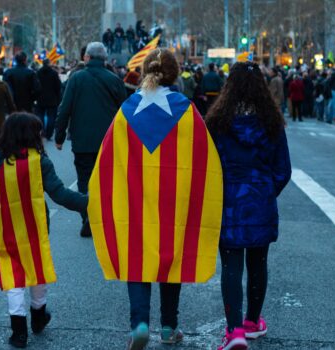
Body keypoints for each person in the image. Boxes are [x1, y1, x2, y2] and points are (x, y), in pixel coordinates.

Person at [87, 49, 223, 350]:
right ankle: (168, 327)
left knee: (137, 259)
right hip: (174, 202)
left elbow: (108, 161)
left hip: (135, 199)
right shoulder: (186, 110)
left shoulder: (126, 110)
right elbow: (204, 161)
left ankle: (139, 324)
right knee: (171, 261)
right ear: (173, 74)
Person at [205, 61, 291, 350]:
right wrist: (266, 191)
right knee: (258, 262)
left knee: (231, 265)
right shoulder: (272, 122)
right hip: (260, 199)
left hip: (228, 200)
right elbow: (283, 170)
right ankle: (254, 322)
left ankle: (234, 331)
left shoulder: (217, 122)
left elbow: (206, 165)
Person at [0, 113, 87, 348]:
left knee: (14, 277)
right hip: (34, 227)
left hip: (5, 229)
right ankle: (38, 316)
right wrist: (90, 202)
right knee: (36, 268)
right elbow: (60, 194)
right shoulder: (40, 162)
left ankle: (18, 331)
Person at [54, 42, 126, 237]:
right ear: (104, 59)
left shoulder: (76, 79)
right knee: (105, 180)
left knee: (85, 180)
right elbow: (125, 112)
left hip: (82, 140)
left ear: (87, 58)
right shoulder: (114, 80)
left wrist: (59, 136)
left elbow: (65, 108)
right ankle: (100, 216)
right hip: (109, 141)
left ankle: (88, 215)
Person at [36, 59, 62, 140]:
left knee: (40, 115)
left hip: (40, 98)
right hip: (52, 98)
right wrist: (58, 97)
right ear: (49, 64)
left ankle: (42, 130)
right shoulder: (54, 73)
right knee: (51, 117)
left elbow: (35, 85)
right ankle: (49, 134)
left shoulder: (38, 72)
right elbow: (58, 86)